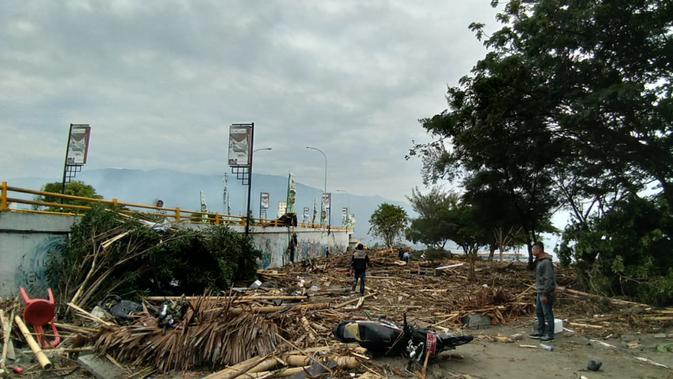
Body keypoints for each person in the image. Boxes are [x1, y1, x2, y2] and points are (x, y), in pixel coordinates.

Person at [529, 241, 557, 341]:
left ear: (539, 249)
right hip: (540, 291)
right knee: (539, 312)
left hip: (546, 292)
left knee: (547, 313)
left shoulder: (546, 262)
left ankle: (550, 334)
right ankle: (540, 332)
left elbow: (549, 279)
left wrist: (545, 293)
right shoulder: (540, 261)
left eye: (533, 249)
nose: (532, 251)